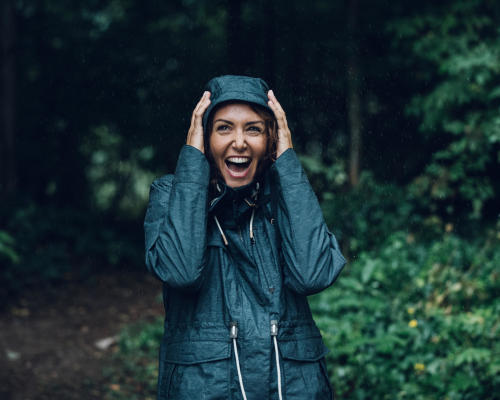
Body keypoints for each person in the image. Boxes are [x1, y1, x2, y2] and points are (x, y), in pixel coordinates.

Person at [144, 75, 346, 400]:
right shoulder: (172, 196)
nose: (239, 142)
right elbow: (181, 272)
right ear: (205, 138)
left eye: (253, 129)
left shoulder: (287, 198)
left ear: (271, 139)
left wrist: (289, 164)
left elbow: (312, 275)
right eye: (223, 128)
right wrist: (192, 160)